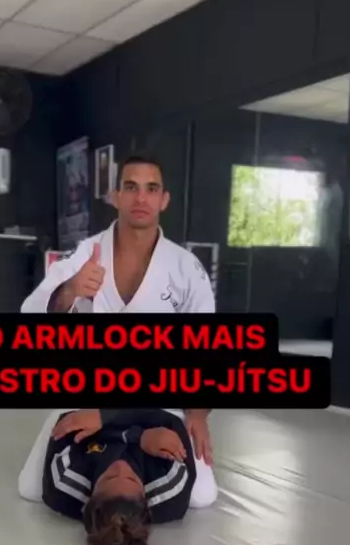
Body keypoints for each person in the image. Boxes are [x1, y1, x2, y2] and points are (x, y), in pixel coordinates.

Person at [19, 153, 218, 508]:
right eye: (131, 187)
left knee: (202, 497)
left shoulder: (187, 269)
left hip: (157, 404)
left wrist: (198, 413)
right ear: (116, 196)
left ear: (164, 199)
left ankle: (125, 443)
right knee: (32, 489)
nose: (141, 198)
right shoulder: (84, 254)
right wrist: (70, 290)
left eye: (151, 189)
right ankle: (108, 441)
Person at [43, 407, 198, 545]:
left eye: (109, 477)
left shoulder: (64, 481)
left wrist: (105, 416)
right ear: (146, 497)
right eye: (132, 478)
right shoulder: (171, 484)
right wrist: (139, 435)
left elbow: (71, 422)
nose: (120, 467)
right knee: (204, 495)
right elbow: (170, 420)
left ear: (90, 495)